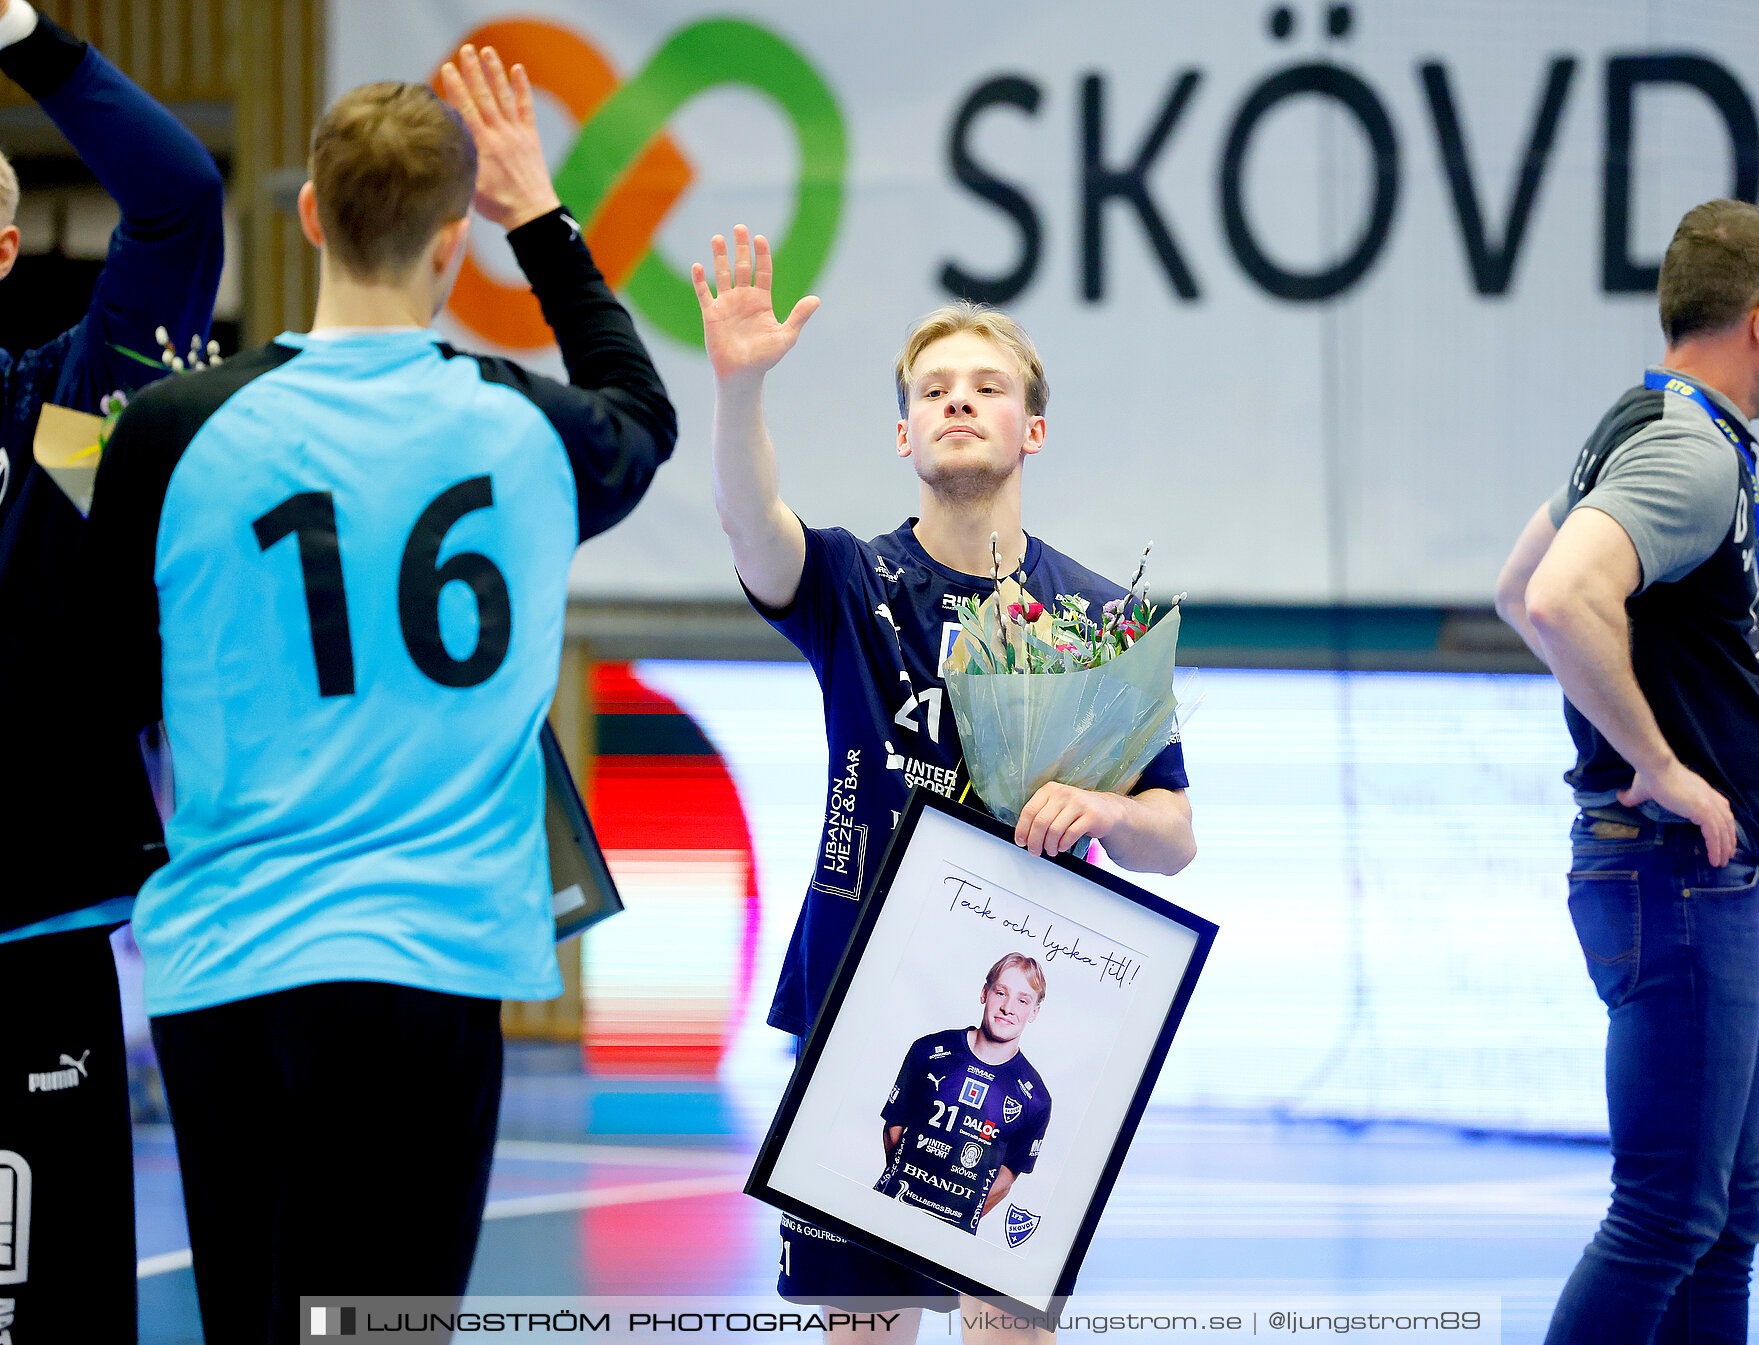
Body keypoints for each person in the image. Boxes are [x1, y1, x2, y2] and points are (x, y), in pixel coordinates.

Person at [78, 48, 674, 1342]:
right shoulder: (529, 429)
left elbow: (107, 686)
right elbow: (643, 411)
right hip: (434, 965)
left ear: (308, 214)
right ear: (454, 242)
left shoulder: (175, 432)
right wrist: (547, 222)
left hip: (229, 961)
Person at [692, 227, 1194, 1334]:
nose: (959, 401)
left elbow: (1174, 834)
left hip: (1027, 1037)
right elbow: (746, 523)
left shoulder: (1100, 622)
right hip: (858, 1019)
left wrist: (1107, 808)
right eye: (934, 388)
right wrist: (738, 393)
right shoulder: (847, 581)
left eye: (988, 385)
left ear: (1033, 427)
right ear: (905, 430)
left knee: (1006, 1328)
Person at [1495, 198, 1759, 1345]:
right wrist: (1659, 762)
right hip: (1676, 878)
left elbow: (1520, 583)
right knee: (1670, 1215)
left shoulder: (1646, 424)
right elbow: (1555, 597)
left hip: (1694, 883)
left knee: (1723, 1214)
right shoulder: (1689, 446)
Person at [0, 1, 224, 1337]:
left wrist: (27, 35)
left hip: (33, 949)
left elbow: (179, 203)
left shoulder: (62, 425)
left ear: (6, 245)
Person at [876, 953, 1052, 1236]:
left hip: (949, 1241)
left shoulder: (1036, 1099)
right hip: (888, 1215)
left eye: (1022, 1000)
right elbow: (894, 1127)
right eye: (1001, 992)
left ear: (1034, 1012)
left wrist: (953, 1217)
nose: (1008, 1007)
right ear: (985, 993)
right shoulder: (928, 1051)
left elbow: (1007, 1178)